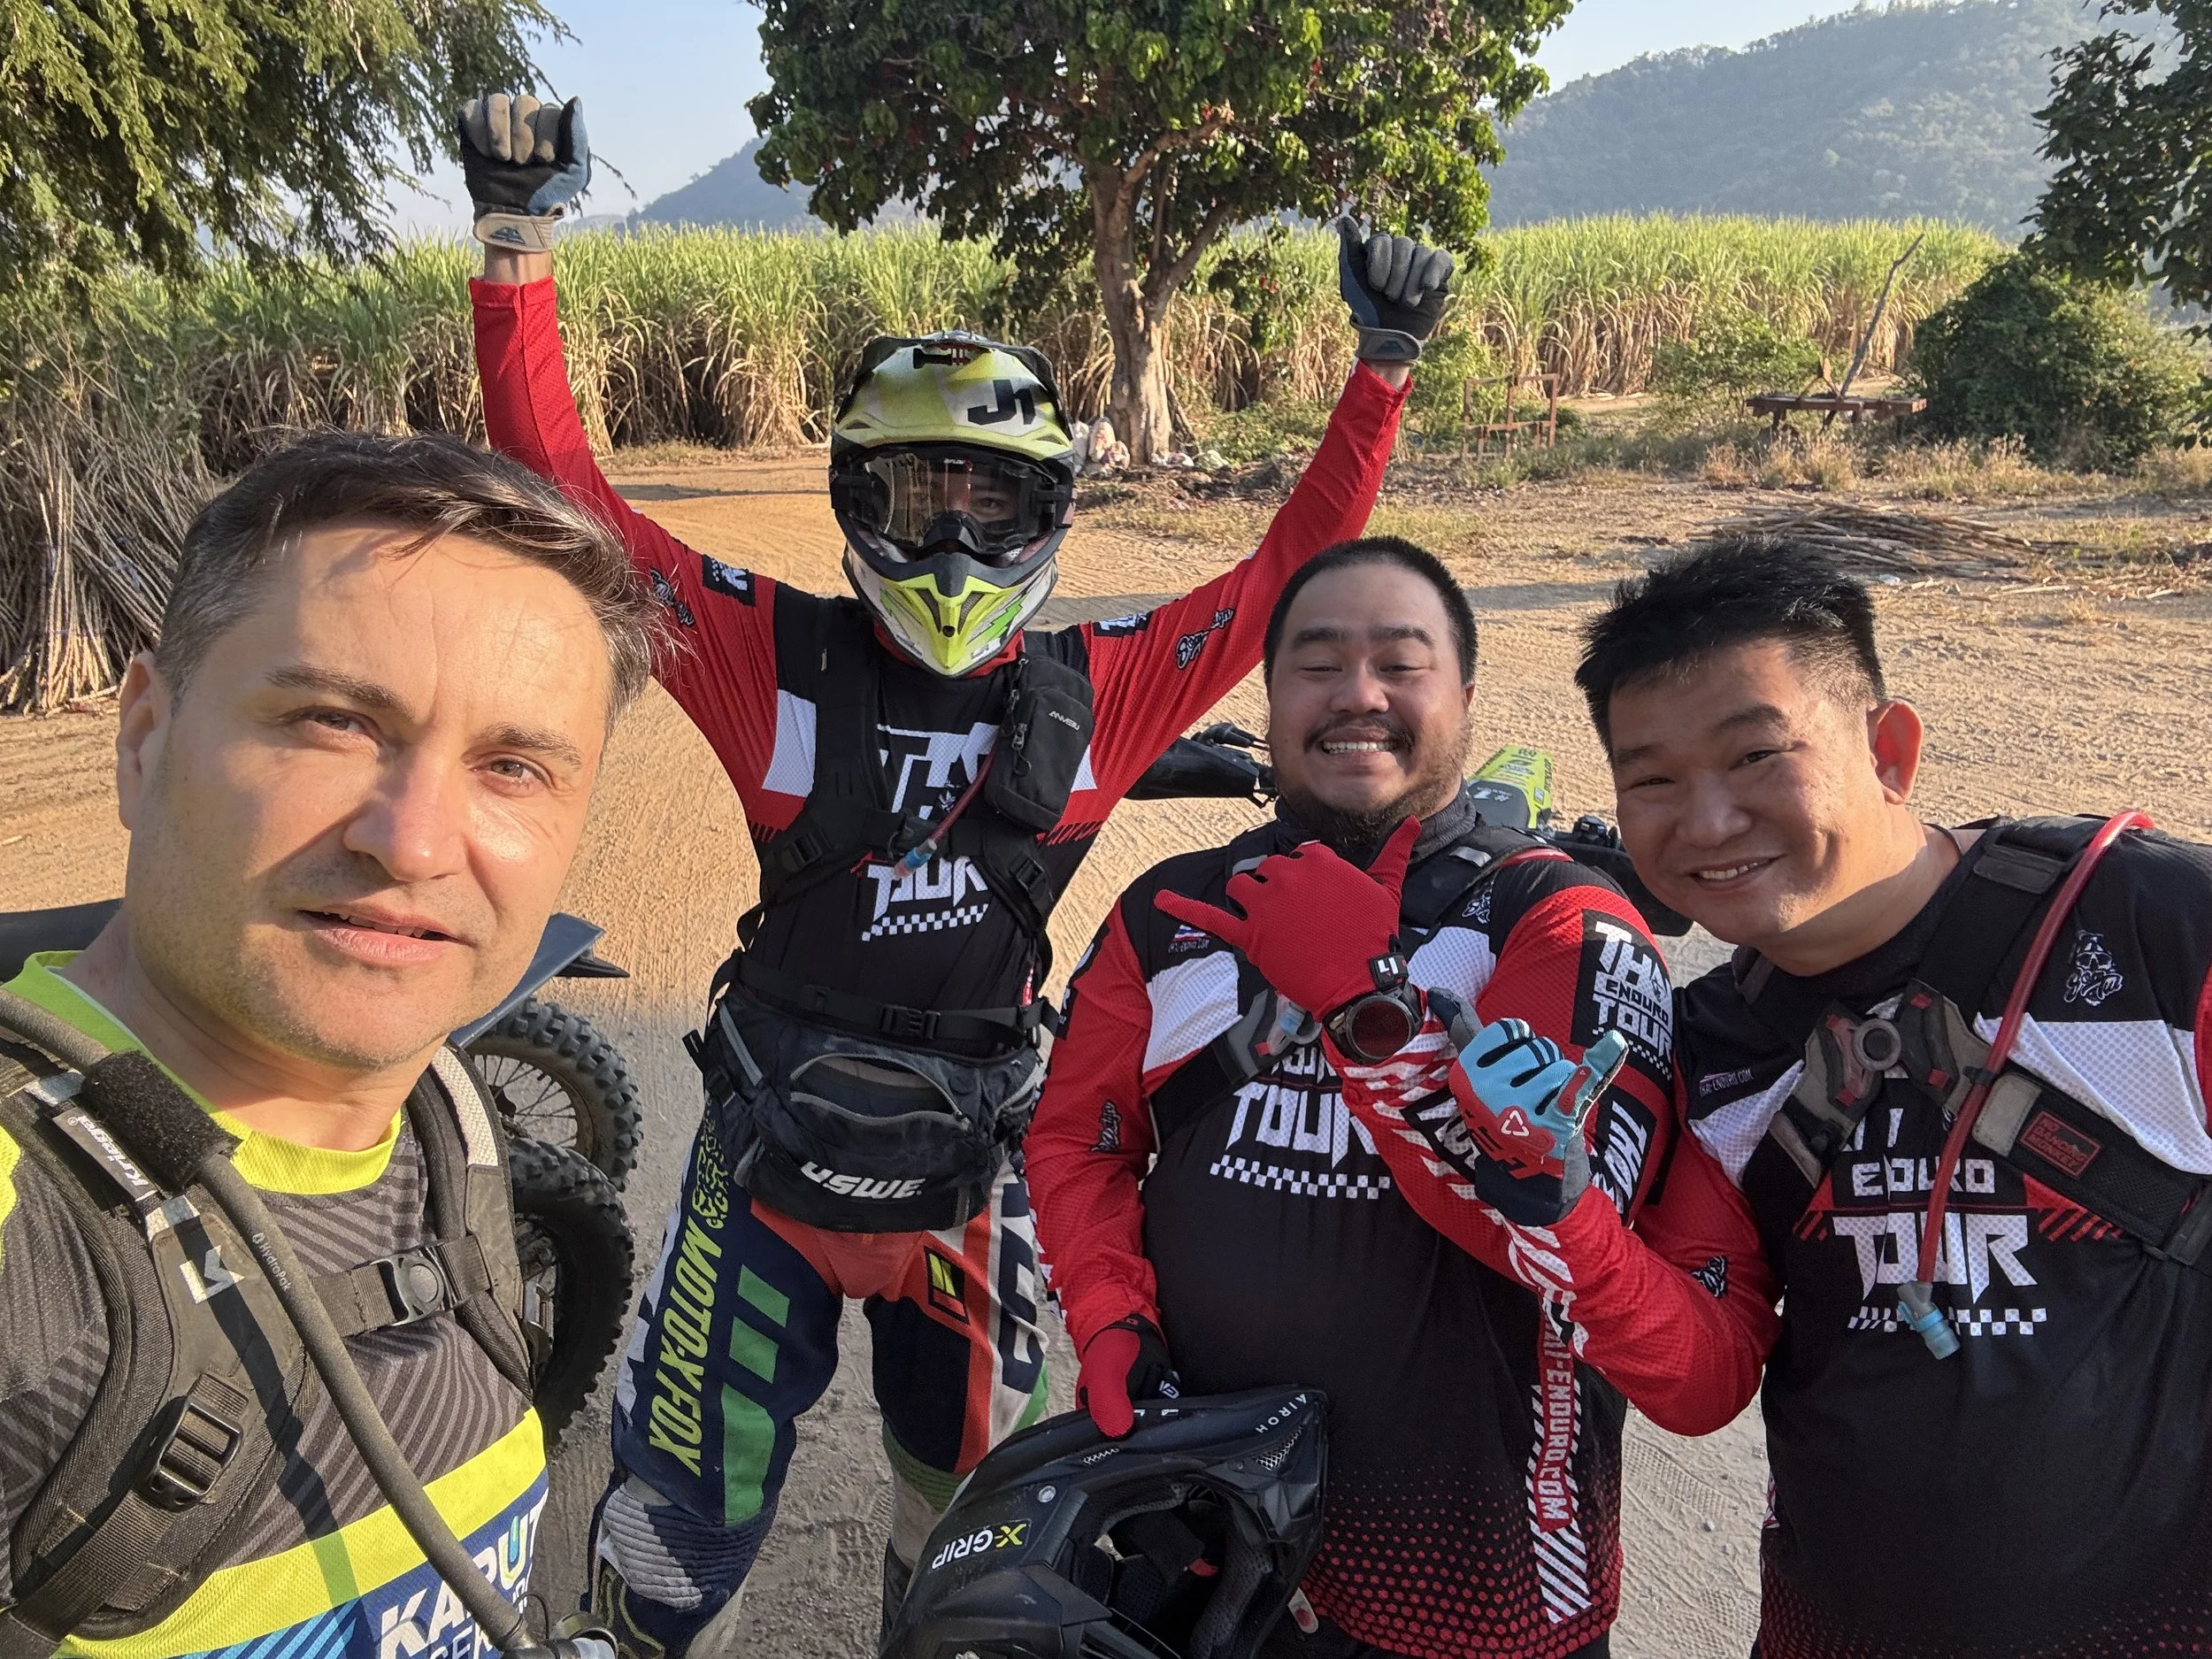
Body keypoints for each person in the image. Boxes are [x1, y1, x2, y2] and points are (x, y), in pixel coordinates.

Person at [452, 92, 1454, 1654]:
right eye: (920, 494)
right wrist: (516, 243)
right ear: (860, 498)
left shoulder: (1093, 683)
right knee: (667, 1541)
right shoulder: (760, 647)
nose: (954, 538)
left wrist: (1381, 374)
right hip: (778, 1162)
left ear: (1049, 511)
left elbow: (1282, 580)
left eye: (990, 501)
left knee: (976, 1536)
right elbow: (569, 497)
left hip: (970, 1184)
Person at [1025, 537, 1779, 1659]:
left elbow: (1568, 1255)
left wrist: (1366, 1007)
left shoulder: (1554, 919)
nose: (1357, 696)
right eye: (1317, 664)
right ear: (1271, 699)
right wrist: (1109, 1316)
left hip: (1474, 1581)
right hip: (1203, 1526)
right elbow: (1076, 1143)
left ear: (1463, 697)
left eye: (1400, 662)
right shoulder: (1168, 911)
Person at [0, 432, 656, 1656]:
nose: (412, 842)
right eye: (333, 720)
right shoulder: (24, 1240)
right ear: (145, 734)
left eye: (512, 766)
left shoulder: (444, 1112)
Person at [1573, 538, 2212, 1658]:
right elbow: (1699, 1374)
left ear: (1890, 751)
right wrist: (1556, 1209)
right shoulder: (1713, 1044)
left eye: (1758, 754)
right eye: (1652, 781)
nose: (1707, 823)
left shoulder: (2155, 930)